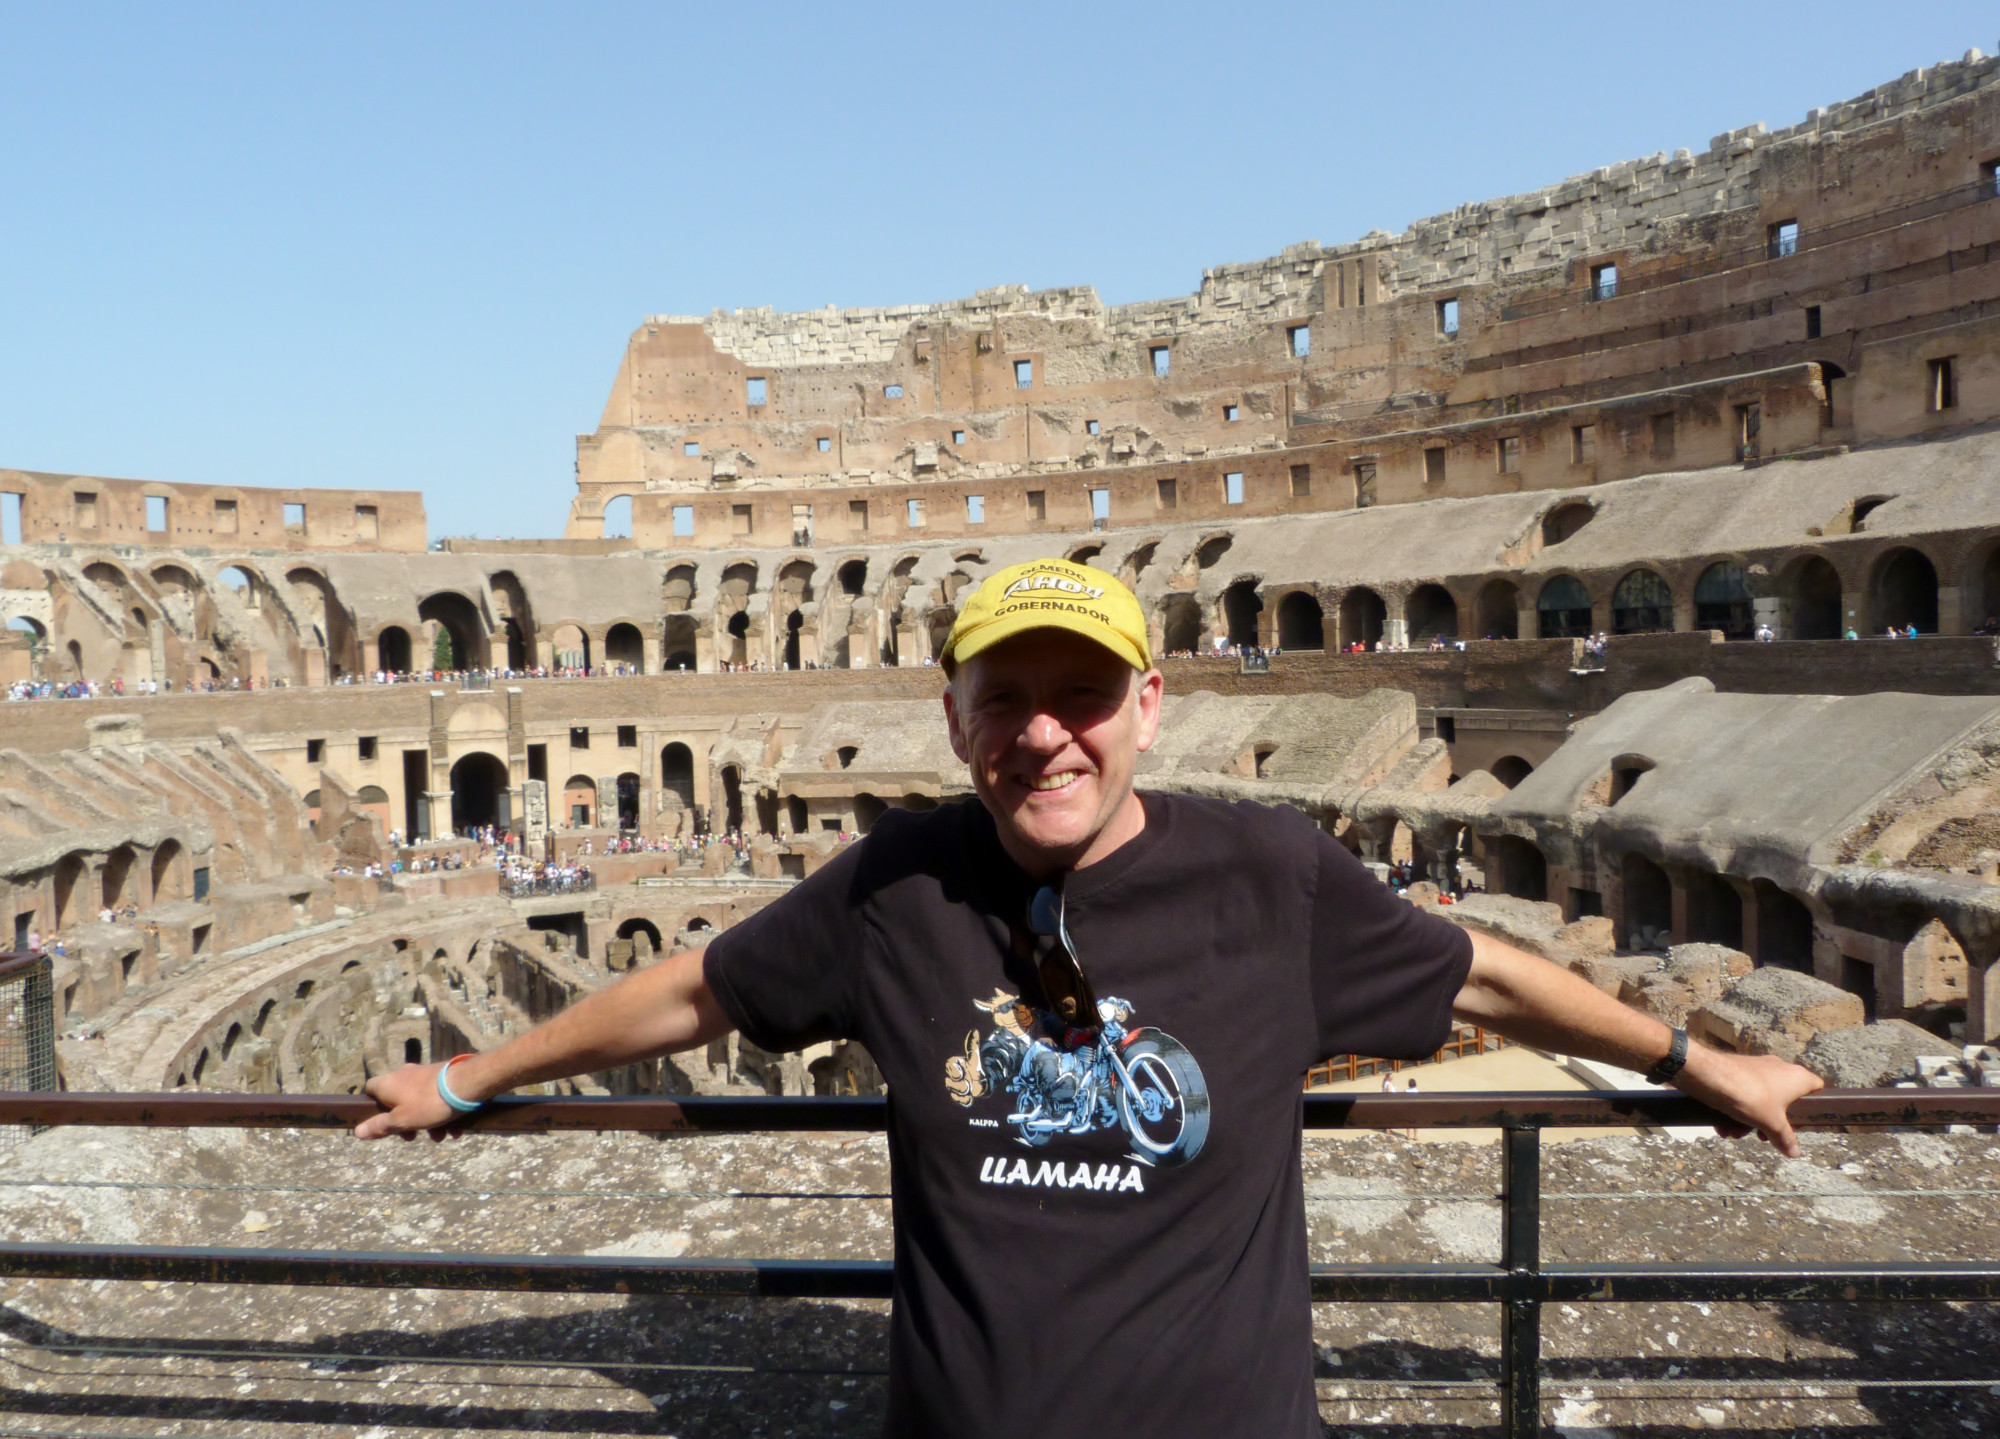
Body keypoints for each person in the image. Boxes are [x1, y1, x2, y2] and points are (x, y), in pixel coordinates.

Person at [355, 556, 1821, 1439]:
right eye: (1008, 699)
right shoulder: (897, 886)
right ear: (956, 718)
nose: (1046, 735)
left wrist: (1700, 1060)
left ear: (1148, 709)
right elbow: (696, 993)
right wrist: (470, 1081)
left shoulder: (1270, 875)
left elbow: (1488, 976)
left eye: (1084, 696)